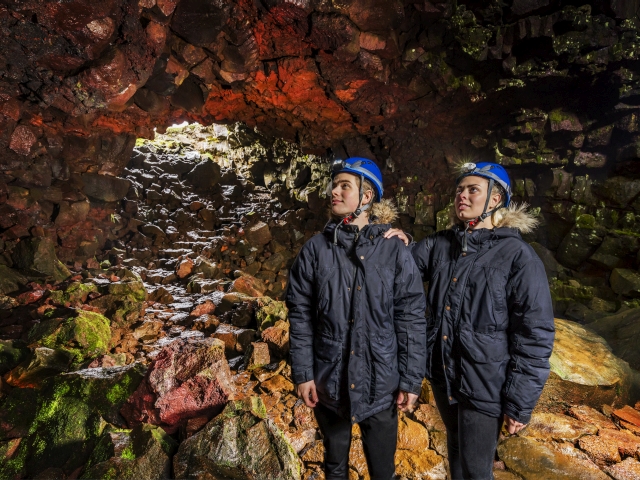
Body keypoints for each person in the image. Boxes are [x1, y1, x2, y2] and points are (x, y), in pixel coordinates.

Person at [385, 161, 555, 480]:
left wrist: (519, 402)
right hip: (444, 372)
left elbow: (535, 336)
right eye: (460, 189)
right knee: (456, 451)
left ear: (494, 199)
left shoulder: (518, 257)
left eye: (472, 189)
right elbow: (401, 267)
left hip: (484, 381)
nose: (462, 195)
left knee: (477, 469)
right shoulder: (442, 244)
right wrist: (398, 239)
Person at [286, 157, 427, 480]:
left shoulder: (394, 251)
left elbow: (411, 318)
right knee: (334, 465)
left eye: (344, 186)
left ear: (366, 197)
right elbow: (301, 316)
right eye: (334, 185)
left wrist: (410, 380)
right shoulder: (315, 250)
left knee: (382, 470)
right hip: (329, 383)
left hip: (381, 384)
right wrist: (304, 374)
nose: (334, 191)